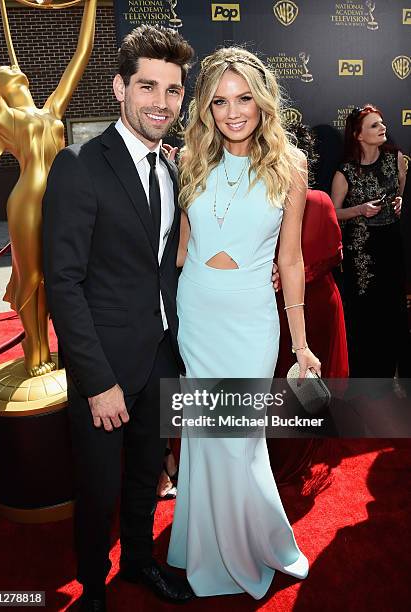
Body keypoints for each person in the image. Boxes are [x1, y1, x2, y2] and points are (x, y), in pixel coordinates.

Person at [43, 25, 195, 611]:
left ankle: (137, 563)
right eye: (148, 87)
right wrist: (98, 381)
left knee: (144, 476)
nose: (161, 102)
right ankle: (92, 586)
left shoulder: (173, 167)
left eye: (173, 91)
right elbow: (64, 283)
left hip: (160, 353)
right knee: (99, 487)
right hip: (102, 366)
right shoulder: (79, 165)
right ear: (119, 89)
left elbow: (167, 263)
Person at [167, 47, 320, 599]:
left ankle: (251, 547)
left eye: (244, 98)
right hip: (198, 313)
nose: (233, 112)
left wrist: (301, 345)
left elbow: (292, 261)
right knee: (208, 439)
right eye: (220, 101)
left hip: (252, 321)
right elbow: (180, 250)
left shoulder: (292, 166)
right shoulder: (188, 162)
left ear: (262, 102)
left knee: (238, 440)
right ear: (206, 109)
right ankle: (203, 547)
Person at [0, 0, 97, 376]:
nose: (14, 68)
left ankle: (58, 347)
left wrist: (90, 4)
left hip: (61, 202)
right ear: (0, 85)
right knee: (31, 275)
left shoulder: (51, 111)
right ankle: (34, 349)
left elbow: (82, 53)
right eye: (4, 71)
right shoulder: (5, 118)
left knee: (63, 273)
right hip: (27, 203)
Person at [270, 123, 349, 485]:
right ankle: (304, 449)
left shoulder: (303, 202)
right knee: (305, 382)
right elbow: (333, 255)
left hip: (290, 307)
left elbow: (310, 258)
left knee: (289, 379)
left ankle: (286, 455)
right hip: (312, 303)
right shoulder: (316, 201)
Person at [331, 105, 409, 378]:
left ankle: (390, 376)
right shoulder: (346, 172)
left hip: (390, 245)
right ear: (358, 135)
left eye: (382, 122)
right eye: (374, 125)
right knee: (365, 315)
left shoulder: (396, 159)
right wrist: (360, 210)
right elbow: (333, 213)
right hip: (361, 251)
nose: (383, 128)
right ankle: (362, 377)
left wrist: (399, 202)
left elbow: (400, 192)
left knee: (393, 310)